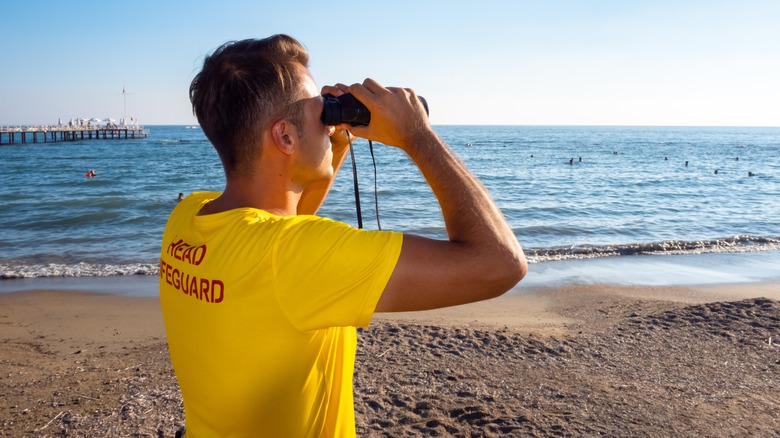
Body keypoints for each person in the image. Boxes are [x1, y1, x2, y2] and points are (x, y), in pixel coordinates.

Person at [159, 34, 526, 437]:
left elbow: (286, 219)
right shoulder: (294, 256)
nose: (329, 119)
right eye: (321, 111)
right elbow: (499, 264)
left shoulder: (189, 216)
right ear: (284, 137)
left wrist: (331, 143)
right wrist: (416, 134)